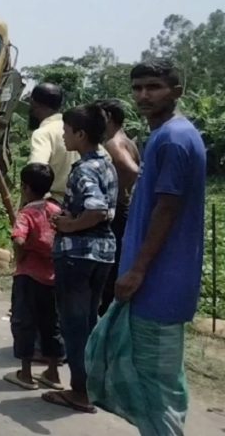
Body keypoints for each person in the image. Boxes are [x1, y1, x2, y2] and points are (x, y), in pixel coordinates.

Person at [90, 59, 206, 433]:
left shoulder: (173, 139)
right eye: (138, 88)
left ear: (176, 91)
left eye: (154, 87)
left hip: (158, 284)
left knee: (157, 393)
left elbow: (167, 208)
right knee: (160, 386)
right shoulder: (168, 135)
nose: (143, 95)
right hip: (160, 282)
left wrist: (138, 270)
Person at [43, 104, 118, 414]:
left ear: (81, 134)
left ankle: (79, 391)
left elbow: (96, 208)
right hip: (104, 253)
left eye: (67, 131)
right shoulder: (107, 164)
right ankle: (91, 385)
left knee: (74, 325)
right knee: (89, 322)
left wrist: (69, 225)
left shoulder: (85, 168)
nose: (63, 136)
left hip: (78, 254)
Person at [4, 163, 64, 391]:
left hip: (28, 277)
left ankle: (26, 374)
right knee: (51, 326)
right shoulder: (57, 211)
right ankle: (53, 373)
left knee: (24, 324)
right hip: (53, 278)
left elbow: (19, 239)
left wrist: (21, 256)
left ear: (26, 187)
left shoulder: (27, 213)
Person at [95, 99, 140, 315]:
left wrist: (119, 190)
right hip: (123, 209)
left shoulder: (113, 144)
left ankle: (106, 315)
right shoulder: (128, 141)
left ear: (109, 118)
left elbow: (132, 170)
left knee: (110, 268)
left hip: (117, 211)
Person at [28, 83, 79, 204]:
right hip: (76, 205)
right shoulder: (75, 129)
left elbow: (36, 173)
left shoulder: (43, 133)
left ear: (33, 103)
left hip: (49, 205)